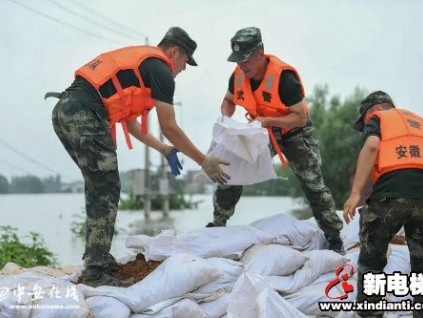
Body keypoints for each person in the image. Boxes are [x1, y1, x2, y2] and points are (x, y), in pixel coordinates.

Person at [50, 27, 230, 287]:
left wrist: (164, 149)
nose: (184, 68)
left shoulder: (144, 68)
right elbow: (170, 127)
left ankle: (97, 258)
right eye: (185, 62)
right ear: (174, 52)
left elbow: (134, 127)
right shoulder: (161, 70)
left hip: (65, 110)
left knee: (100, 186)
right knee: (105, 188)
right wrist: (204, 161)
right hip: (83, 112)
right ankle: (96, 271)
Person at [206, 26, 345, 255]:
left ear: (260, 54)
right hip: (261, 131)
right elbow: (228, 100)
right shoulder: (238, 75)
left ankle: (333, 236)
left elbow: (300, 117)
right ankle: (218, 223)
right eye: (237, 60)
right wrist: (225, 119)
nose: (242, 65)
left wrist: (268, 120)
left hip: (293, 132)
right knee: (232, 168)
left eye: (246, 59)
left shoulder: (284, 78)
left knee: (313, 184)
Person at [343, 91, 423, 317]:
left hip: (390, 197)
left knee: (372, 262)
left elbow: (370, 146)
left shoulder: (378, 118)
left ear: (372, 110)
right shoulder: (418, 121)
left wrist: (356, 193)